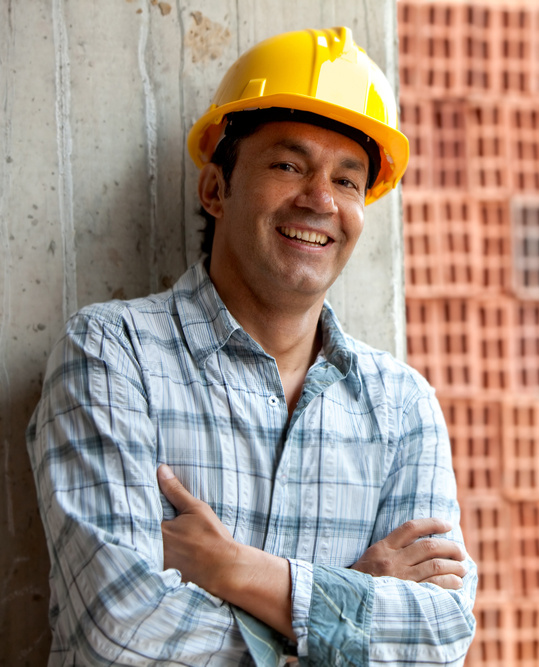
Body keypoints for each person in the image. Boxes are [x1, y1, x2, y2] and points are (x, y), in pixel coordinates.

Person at [26, 27, 476, 666]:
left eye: (348, 181)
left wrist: (238, 571)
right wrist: (341, 606)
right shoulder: (110, 356)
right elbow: (119, 629)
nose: (320, 199)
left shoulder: (402, 406)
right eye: (289, 164)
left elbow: (439, 639)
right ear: (215, 190)